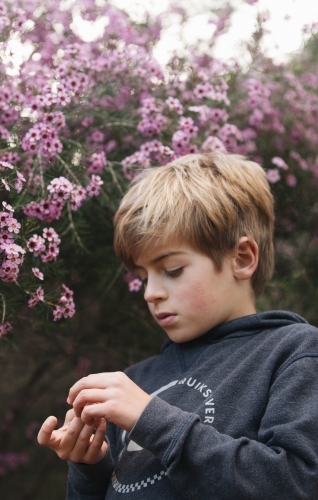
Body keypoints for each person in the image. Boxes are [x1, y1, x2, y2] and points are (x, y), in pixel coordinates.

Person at [37, 152, 318, 499]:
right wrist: (89, 470)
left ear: (242, 259)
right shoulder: (135, 382)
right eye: (143, 278)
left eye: (171, 270)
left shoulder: (294, 352)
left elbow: (297, 484)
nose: (151, 294)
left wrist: (151, 420)